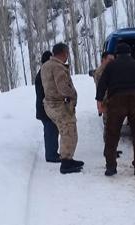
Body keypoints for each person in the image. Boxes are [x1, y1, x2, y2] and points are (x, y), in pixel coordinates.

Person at [96, 42, 135, 177]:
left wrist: (99, 102)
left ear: (117, 54)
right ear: (129, 53)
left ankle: (111, 167)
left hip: (116, 101)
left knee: (112, 134)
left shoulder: (111, 66)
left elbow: (102, 84)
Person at [41, 43, 84, 174]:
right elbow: (63, 87)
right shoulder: (58, 67)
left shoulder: (46, 65)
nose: (67, 56)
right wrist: (73, 94)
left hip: (49, 104)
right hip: (59, 105)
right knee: (69, 132)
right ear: (63, 53)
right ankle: (66, 163)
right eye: (67, 53)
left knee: (66, 131)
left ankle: (68, 159)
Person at [35, 51, 60, 163]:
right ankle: (51, 155)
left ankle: (52, 153)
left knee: (52, 130)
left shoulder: (41, 73)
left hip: (43, 107)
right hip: (45, 108)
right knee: (50, 130)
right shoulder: (44, 74)